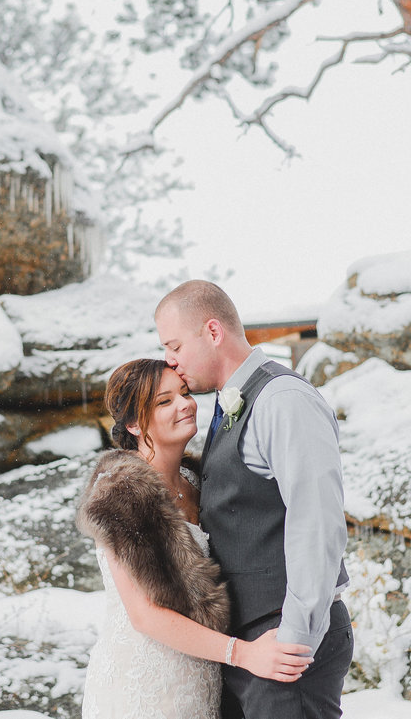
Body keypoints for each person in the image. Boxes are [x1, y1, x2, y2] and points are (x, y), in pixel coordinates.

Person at [154, 280, 353, 719]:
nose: (170, 360)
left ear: (211, 331)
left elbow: (316, 522)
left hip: (283, 643)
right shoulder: (231, 405)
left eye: (174, 345)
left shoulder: (283, 400)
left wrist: (294, 638)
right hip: (250, 646)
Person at [77, 358, 312, 719]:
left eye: (184, 393)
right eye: (164, 401)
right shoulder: (120, 493)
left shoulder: (198, 481)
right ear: (134, 424)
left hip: (201, 678)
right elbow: (145, 615)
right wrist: (244, 654)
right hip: (142, 684)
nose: (185, 404)